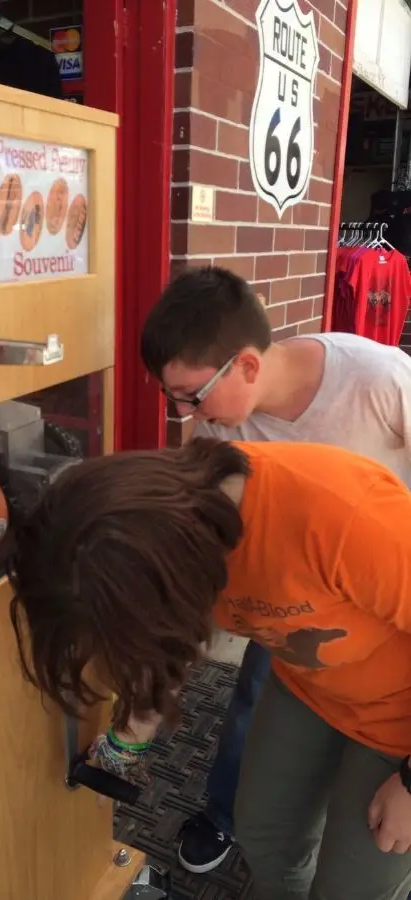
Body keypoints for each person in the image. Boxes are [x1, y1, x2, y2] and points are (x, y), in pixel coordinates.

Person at [9, 437, 411, 900]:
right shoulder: (159, 531)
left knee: (353, 887)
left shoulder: (345, 514)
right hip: (306, 687)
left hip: (399, 720)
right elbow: (161, 635)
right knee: (263, 834)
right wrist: (128, 740)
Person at [139, 265, 411, 875]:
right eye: (171, 398)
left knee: (362, 838)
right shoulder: (217, 434)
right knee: (259, 707)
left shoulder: (377, 381)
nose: (185, 414)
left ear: (248, 365)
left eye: (191, 395)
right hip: (298, 613)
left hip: (393, 601)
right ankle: (228, 817)